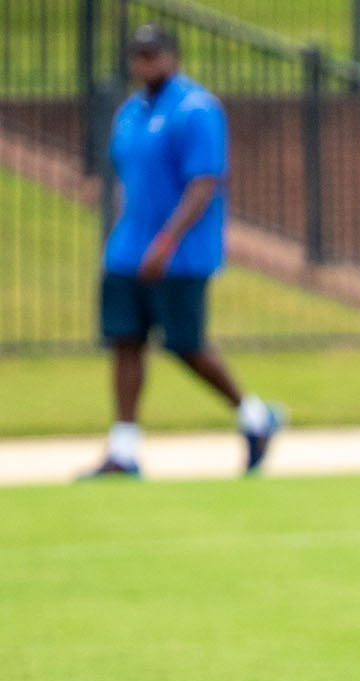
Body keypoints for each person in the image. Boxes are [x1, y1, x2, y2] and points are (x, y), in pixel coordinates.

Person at [87, 23, 283, 479]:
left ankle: (254, 417)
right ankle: (124, 449)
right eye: (139, 56)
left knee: (186, 344)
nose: (145, 64)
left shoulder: (196, 109)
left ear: (172, 57)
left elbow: (203, 183)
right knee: (125, 341)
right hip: (127, 250)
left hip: (180, 253)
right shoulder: (130, 112)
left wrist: (167, 240)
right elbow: (125, 177)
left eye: (153, 55)